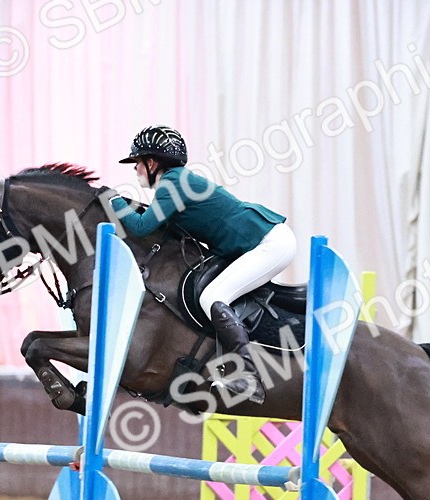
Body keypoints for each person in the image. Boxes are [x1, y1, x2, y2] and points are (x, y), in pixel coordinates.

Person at [109, 125, 296, 404]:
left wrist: (113, 201)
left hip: (269, 243)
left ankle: (248, 376)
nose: (135, 169)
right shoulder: (175, 182)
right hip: (263, 240)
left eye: (137, 162)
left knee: (212, 296)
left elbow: (141, 227)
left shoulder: (172, 183)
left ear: (152, 163)